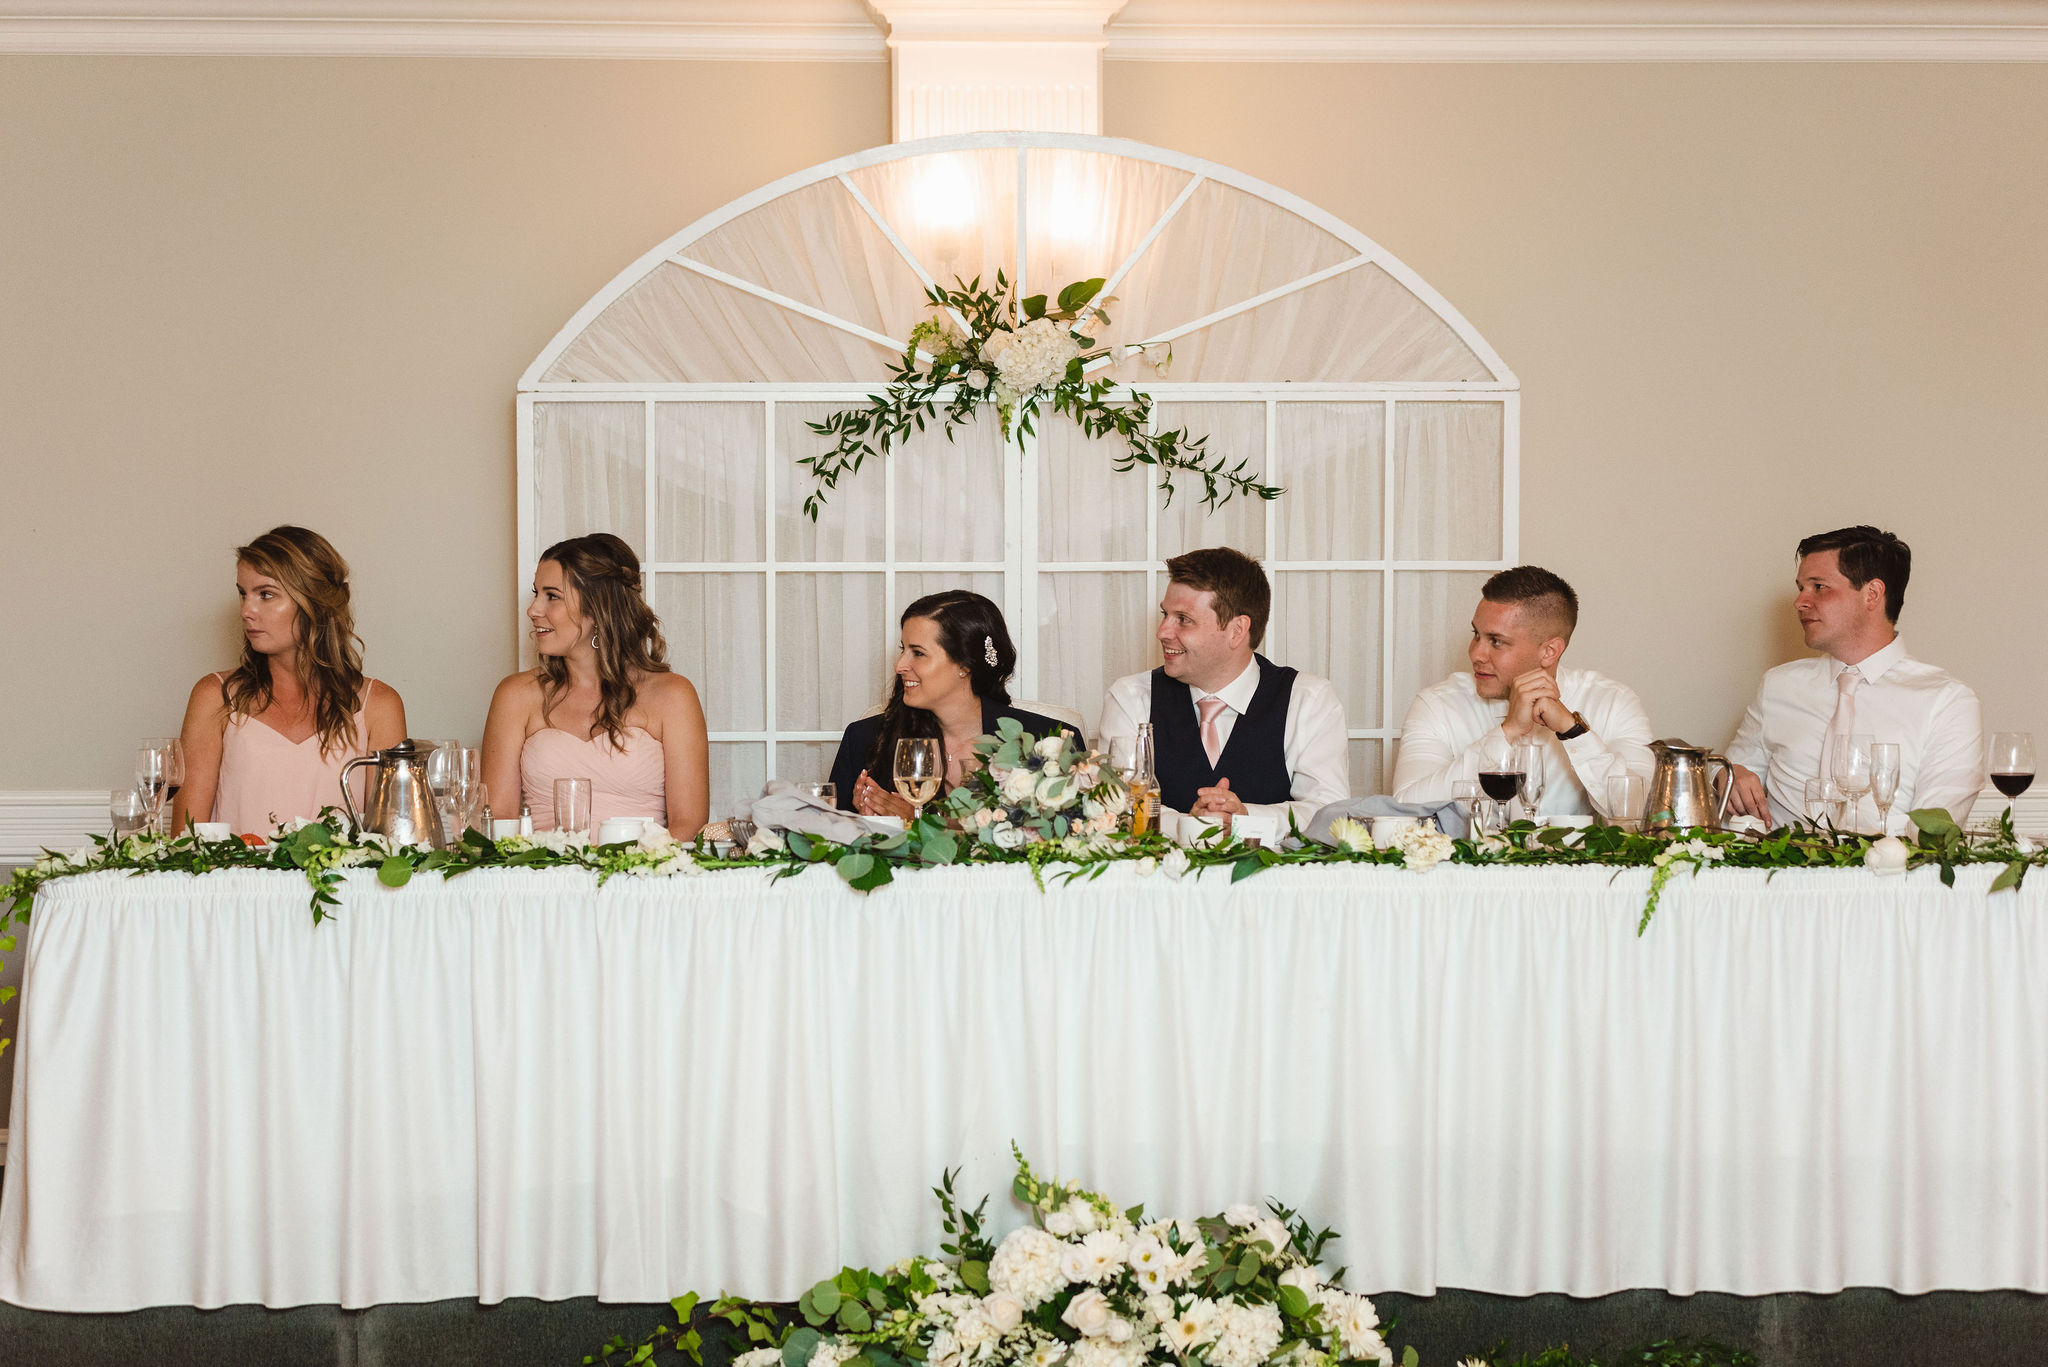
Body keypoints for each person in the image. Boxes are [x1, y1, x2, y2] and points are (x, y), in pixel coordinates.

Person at [1725, 525, 1981, 833]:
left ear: (1872, 594)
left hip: (1889, 863)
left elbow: (1935, 834)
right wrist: (1727, 774)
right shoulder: (1778, 686)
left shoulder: (1947, 701)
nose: (1800, 602)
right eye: (1801, 588)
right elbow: (1729, 783)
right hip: (1775, 861)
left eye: (1819, 586)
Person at [172, 526, 407, 836]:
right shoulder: (215, 696)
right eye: (243, 593)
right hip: (233, 870)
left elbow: (390, 845)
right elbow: (186, 841)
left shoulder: (379, 706)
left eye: (266, 594)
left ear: (314, 603)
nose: (246, 611)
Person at [1096, 547, 1349, 834]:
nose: (1162, 631)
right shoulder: (1130, 698)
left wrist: (1246, 819)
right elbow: (1114, 805)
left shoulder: (1308, 700)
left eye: (1183, 619)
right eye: (1166, 614)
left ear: (1237, 630)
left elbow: (1330, 811)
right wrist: (1188, 826)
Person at [481, 533, 710, 837]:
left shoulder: (672, 696)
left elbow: (689, 823)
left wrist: (635, 864)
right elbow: (499, 818)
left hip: (646, 866)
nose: (533, 610)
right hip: (541, 866)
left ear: (597, 607)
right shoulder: (515, 695)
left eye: (552, 596)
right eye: (537, 593)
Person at [1390, 565, 1653, 817]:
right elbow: (1405, 810)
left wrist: (1572, 731)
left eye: (1496, 641)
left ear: (1549, 651)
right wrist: (1507, 732)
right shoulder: (1437, 705)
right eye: (1476, 634)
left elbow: (1644, 812)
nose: (1476, 654)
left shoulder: (1612, 702)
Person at [835, 591, 1069, 817]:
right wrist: (862, 821)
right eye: (903, 649)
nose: (899, 666)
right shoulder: (864, 739)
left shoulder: (1048, 743)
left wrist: (915, 823)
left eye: (918, 653)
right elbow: (829, 836)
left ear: (965, 665)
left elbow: (1071, 838)